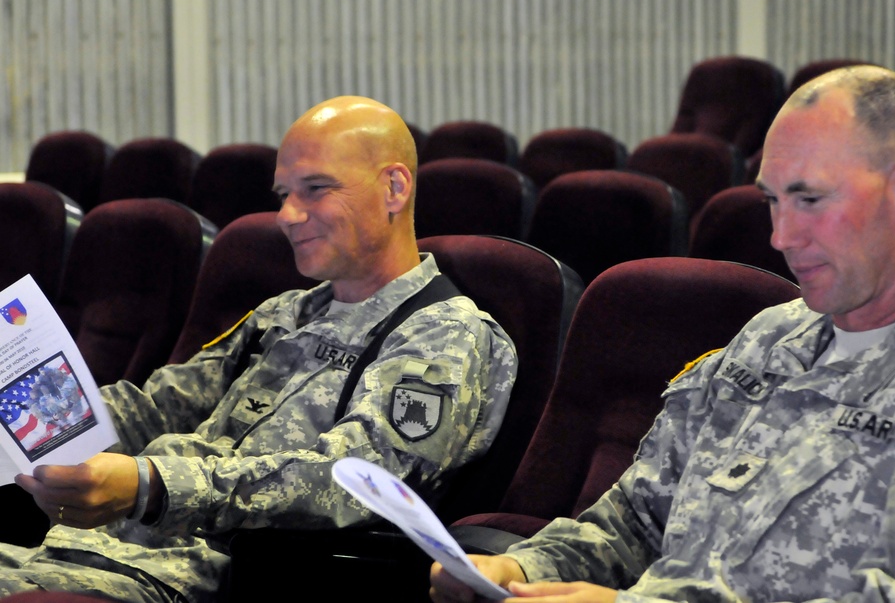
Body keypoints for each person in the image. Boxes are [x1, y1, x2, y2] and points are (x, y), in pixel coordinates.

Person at [430, 65, 895, 602]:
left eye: (809, 199)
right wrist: (523, 568)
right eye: (773, 201)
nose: (781, 236)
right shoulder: (767, 341)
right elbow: (635, 520)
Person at [0, 95, 517, 602]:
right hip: (79, 552)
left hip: (190, 579)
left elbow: (357, 483)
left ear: (394, 187)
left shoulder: (445, 334)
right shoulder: (287, 312)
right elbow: (156, 406)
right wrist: (28, 417)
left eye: (315, 189)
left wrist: (153, 485)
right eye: (284, 194)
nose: (288, 215)